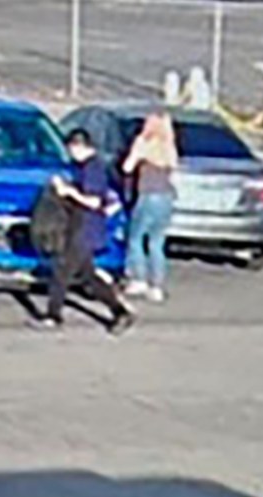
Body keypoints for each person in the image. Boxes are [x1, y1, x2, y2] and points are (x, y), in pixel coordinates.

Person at [33, 128, 134, 334]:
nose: (70, 154)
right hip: (81, 227)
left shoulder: (93, 169)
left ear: (79, 146)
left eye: (70, 149)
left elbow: (94, 201)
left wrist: (69, 191)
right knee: (88, 276)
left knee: (62, 271)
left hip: (85, 228)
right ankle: (120, 311)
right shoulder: (85, 168)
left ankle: (54, 316)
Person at [123, 111, 178, 303]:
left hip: (148, 194)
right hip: (167, 197)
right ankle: (157, 286)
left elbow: (127, 167)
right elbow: (173, 166)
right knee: (157, 242)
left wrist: (136, 154)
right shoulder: (169, 146)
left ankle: (138, 278)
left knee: (136, 237)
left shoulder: (144, 143)